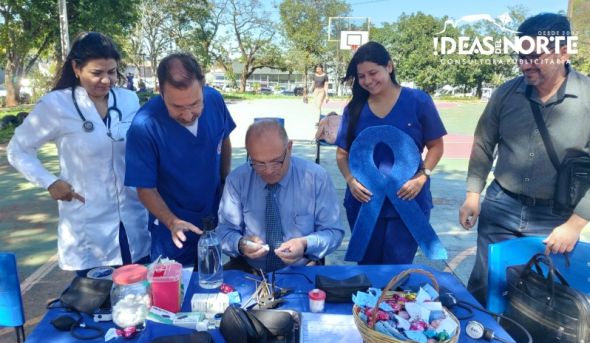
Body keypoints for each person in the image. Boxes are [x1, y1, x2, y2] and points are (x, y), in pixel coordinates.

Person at [459, 13, 590, 306]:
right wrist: (472, 195)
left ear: (563, 53)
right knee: (484, 288)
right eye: (521, 55)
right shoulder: (507, 93)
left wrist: (575, 225)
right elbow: (483, 143)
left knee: (542, 297)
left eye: (534, 56)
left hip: (555, 219)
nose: (524, 64)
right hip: (501, 209)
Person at [7, 32, 150, 273]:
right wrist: (50, 182)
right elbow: (18, 150)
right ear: (76, 68)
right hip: (89, 226)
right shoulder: (55, 105)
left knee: (140, 296)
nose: (105, 80)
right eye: (96, 73)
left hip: (132, 220)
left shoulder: (128, 100)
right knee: (97, 302)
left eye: (111, 72)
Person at [335, 41, 446, 264]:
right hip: (365, 202)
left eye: (373, 73)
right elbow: (341, 154)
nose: (367, 81)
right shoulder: (354, 108)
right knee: (367, 272)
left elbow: (436, 146)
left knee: (397, 274)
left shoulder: (418, 101)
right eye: (362, 76)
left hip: (407, 200)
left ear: (390, 66)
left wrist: (423, 176)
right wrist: (350, 180)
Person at [125, 53, 235, 267]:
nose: (187, 115)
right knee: (175, 289)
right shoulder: (144, 126)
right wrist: (171, 221)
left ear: (203, 86)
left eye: (194, 104)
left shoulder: (214, 100)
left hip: (212, 215)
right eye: (176, 107)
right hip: (172, 226)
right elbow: (144, 187)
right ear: (160, 91)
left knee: (211, 277)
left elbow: (224, 138)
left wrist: (225, 182)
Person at [217, 120, 344, 272]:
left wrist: (305, 244)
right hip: (250, 271)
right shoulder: (237, 180)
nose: (268, 170)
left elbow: (333, 232)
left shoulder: (316, 178)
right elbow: (223, 232)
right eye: (258, 163)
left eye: (276, 162)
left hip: (303, 269)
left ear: (289, 148)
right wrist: (240, 244)